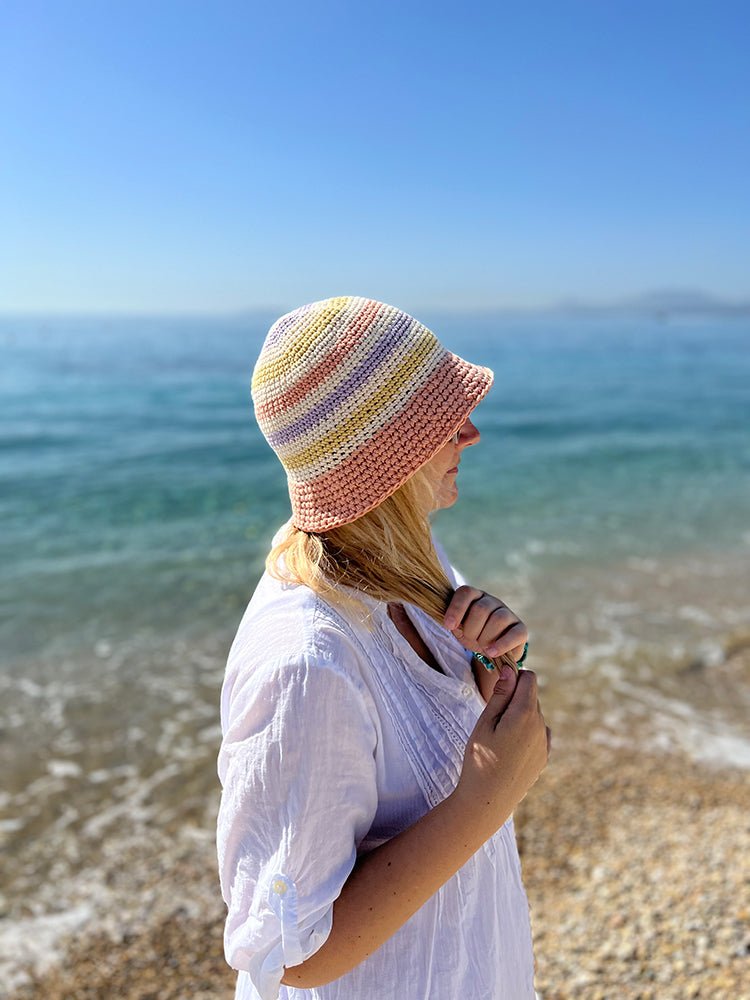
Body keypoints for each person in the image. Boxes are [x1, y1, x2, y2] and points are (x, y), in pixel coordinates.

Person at [216, 296, 551, 1000]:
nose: (473, 432)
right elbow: (289, 955)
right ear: (381, 462)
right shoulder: (306, 663)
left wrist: (491, 670)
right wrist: (486, 798)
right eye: (442, 420)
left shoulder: (410, 558)